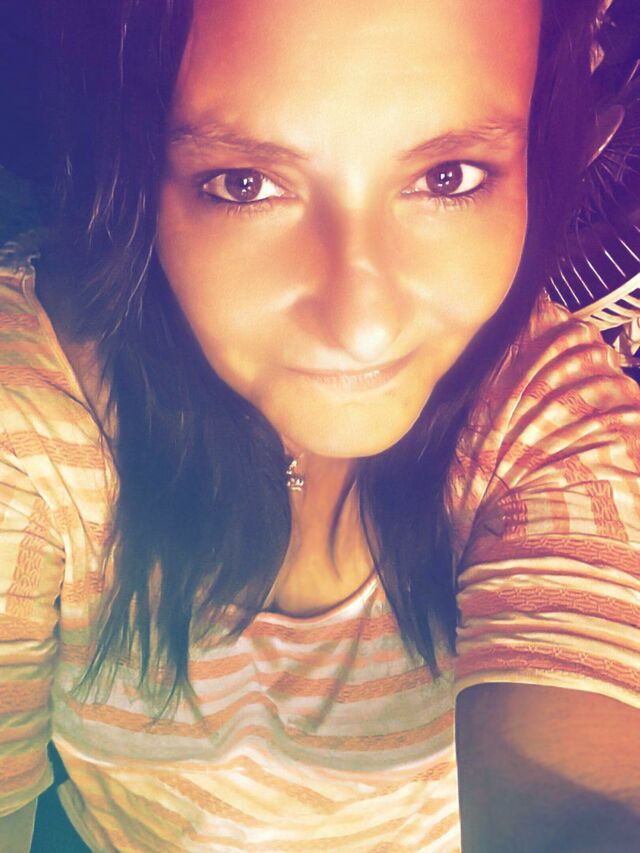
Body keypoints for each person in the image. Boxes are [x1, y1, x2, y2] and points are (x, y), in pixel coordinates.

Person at [0, 0, 639, 850]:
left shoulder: (554, 423)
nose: (361, 325)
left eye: (449, 176)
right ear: (133, 166)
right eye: (245, 184)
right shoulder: (29, 417)